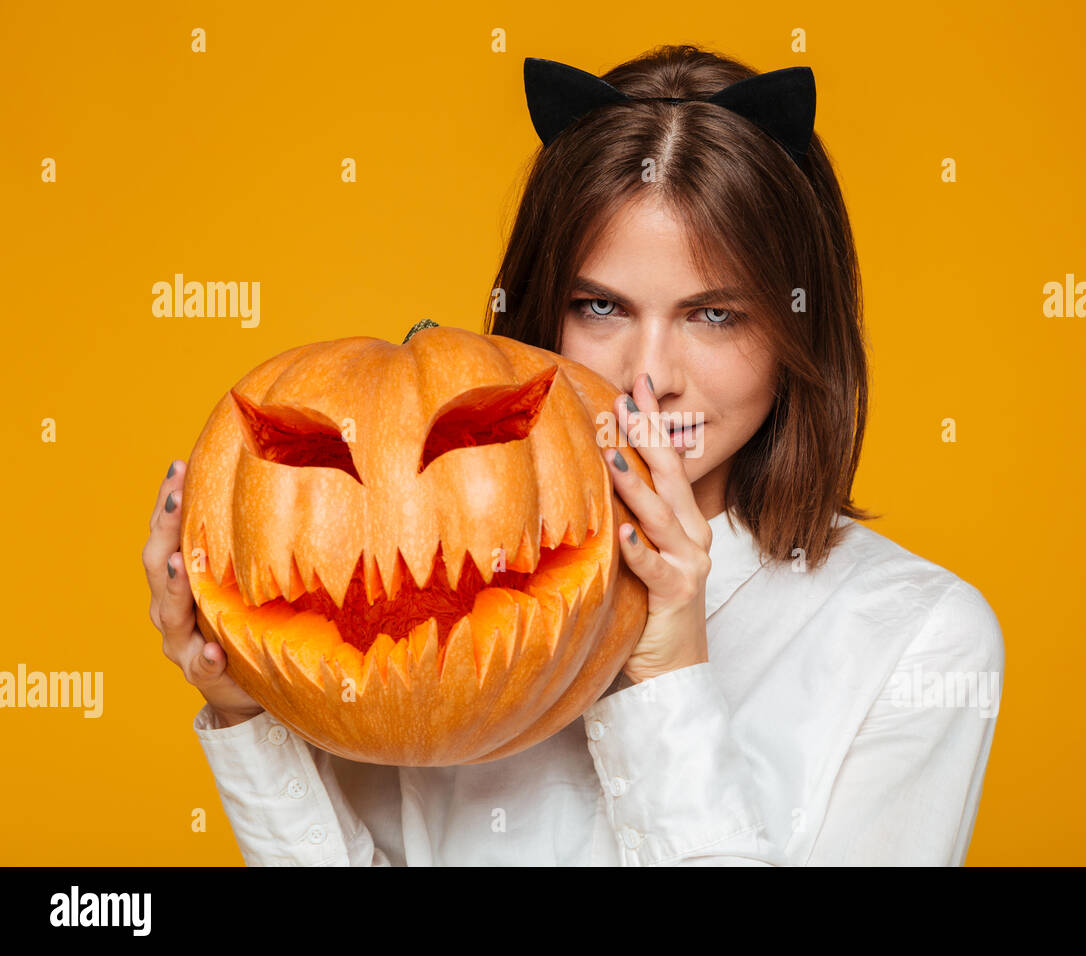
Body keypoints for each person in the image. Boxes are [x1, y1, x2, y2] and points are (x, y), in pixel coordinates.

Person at [142, 44, 1004, 866]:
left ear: (796, 331)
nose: (650, 378)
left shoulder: (918, 641)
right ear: (540, 312)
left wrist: (663, 677)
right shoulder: (444, 604)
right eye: (601, 307)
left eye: (715, 315)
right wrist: (251, 707)